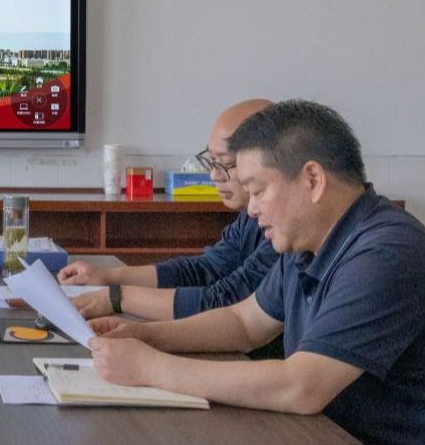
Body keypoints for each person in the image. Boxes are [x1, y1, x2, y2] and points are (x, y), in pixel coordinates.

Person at [87, 100, 425, 445]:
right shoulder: (309, 242)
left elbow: (301, 386)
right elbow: (244, 324)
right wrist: (147, 336)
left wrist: (150, 367)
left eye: (258, 190)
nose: (251, 209)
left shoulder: (385, 253)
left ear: (313, 179)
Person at [58, 98, 278, 320]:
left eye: (225, 163)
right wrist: (108, 277)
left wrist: (116, 298)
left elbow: (228, 301)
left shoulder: (282, 233)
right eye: (211, 161)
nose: (213, 175)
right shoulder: (249, 216)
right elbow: (206, 270)